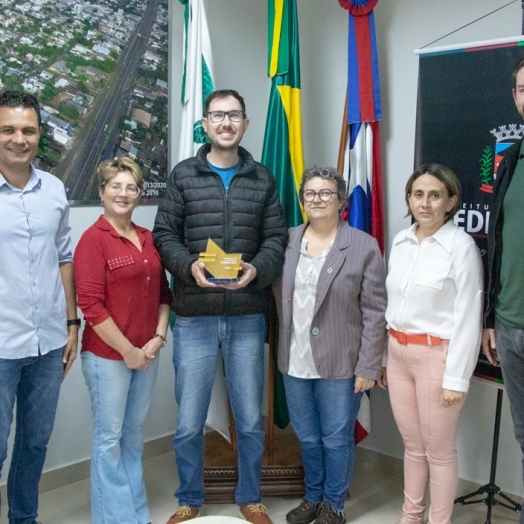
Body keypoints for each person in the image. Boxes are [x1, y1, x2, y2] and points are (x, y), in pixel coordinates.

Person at [153, 89, 287, 524]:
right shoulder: (183, 175)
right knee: (189, 421)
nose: (226, 122)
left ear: (245, 124)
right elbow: (164, 235)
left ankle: (250, 495)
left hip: (248, 313)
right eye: (217, 115)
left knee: (249, 419)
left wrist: (258, 271)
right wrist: (189, 266)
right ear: (206, 124)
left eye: (234, 115)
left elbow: (276, 240)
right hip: (193, 314)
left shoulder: (263, 178)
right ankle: (190, 496)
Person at [273, 167, 387, 524]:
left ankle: (333, 504)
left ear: (341, 200)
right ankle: (313, 496)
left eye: (325, 193)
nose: (317, 199)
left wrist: (369, 366)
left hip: (341, 362)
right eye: (310, 193)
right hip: (294, 359)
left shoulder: (363, 246)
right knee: (307, 436)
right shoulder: (286, 241)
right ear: (302, 199)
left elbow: (375, 311)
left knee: (336, 439)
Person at [380, 164, 483, 524]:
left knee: (438, 452)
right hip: (397, 354)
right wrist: (383, 356)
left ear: (451, 201)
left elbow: (470, 316)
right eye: (418, 194)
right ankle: (411, 517)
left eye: (435, 195)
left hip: (436, 359)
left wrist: (457, 378)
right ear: (409, 198)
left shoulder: (461, 247)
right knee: (412, 446)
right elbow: (393, 305)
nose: (425, 203)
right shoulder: (401, 240)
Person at [74, 157, 172, 524]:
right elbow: (91, 306)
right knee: (108, 439)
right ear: (102, 193)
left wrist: (158, 338)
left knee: (132, 436)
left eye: (131, 187)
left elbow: (165, 293)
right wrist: (128, 351)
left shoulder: (147, 238)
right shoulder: (92, 241)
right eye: (115, 185)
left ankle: (135, 515)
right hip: (108, 358)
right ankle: (112, 519)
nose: (124, 193)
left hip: (147, 354)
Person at [0, 90, 79, 524]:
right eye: (8, 129)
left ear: (38, 135)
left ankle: (24, 519)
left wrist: (72, 323)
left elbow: (64, 257)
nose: (19, 139)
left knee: (34, 444)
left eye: (27, 130)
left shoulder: (54, 189)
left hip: (49, 341)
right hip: (0, 343)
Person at [482, 57, 524, 524]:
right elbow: (497, 245)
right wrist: (492, 318)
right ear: (515, 97)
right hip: (511, 326)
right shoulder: (511, 161)